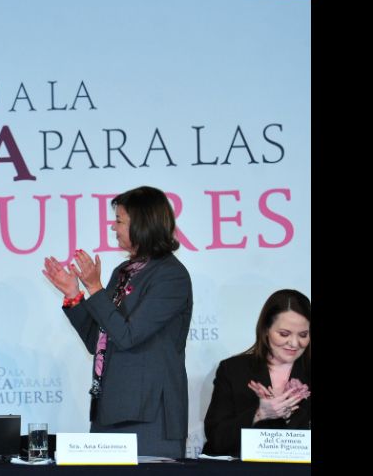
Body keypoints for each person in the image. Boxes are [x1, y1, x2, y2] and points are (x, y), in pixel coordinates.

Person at [42, 185, 192, 458]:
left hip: (149, 416)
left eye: (119, 220)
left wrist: (95, 288)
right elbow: (98, 340)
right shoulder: (123, 272)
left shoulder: (170, 276)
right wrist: (74, 295)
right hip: (109, 410)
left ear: (143, 223)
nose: (113, 227)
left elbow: (128, 336)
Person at [202, 289, 311, 457]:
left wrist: (291, 417)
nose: (294, 343)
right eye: (284, 334)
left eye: (303, 335)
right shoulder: (234, 370)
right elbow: (217, 439)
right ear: (266, 329)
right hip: (243, 468)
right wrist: (260, 413)